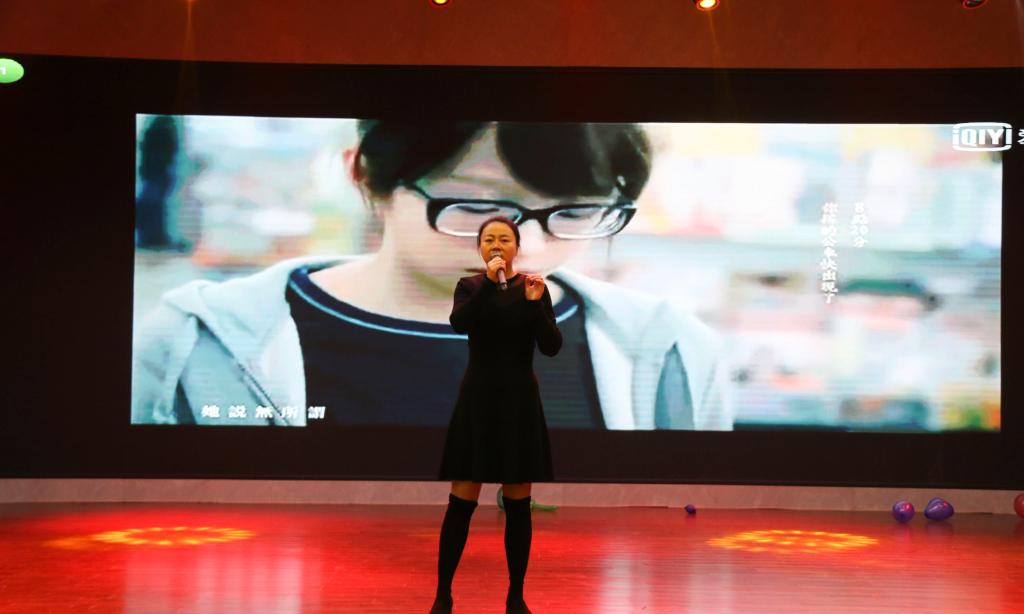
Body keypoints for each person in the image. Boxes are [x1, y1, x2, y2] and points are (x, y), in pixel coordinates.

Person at [132, 120, 733, 432]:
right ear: (366, 175)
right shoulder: (198, 341)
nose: (522, 247)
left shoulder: (666, 352)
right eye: (477, 206)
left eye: (573, 213)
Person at [429, 216, 560, 614]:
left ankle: (515, 596)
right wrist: (489, 282)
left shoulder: (534, 288)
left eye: (505, 239)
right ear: (480, 248)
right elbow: (460, 323)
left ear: (517, 247)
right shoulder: (470, 287)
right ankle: (443, 594)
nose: (497, 244)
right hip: (479, 401)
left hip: (519, 402)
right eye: (489, 239)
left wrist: (536, 305)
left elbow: (551, 346)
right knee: (461, 502)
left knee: (519, 505)